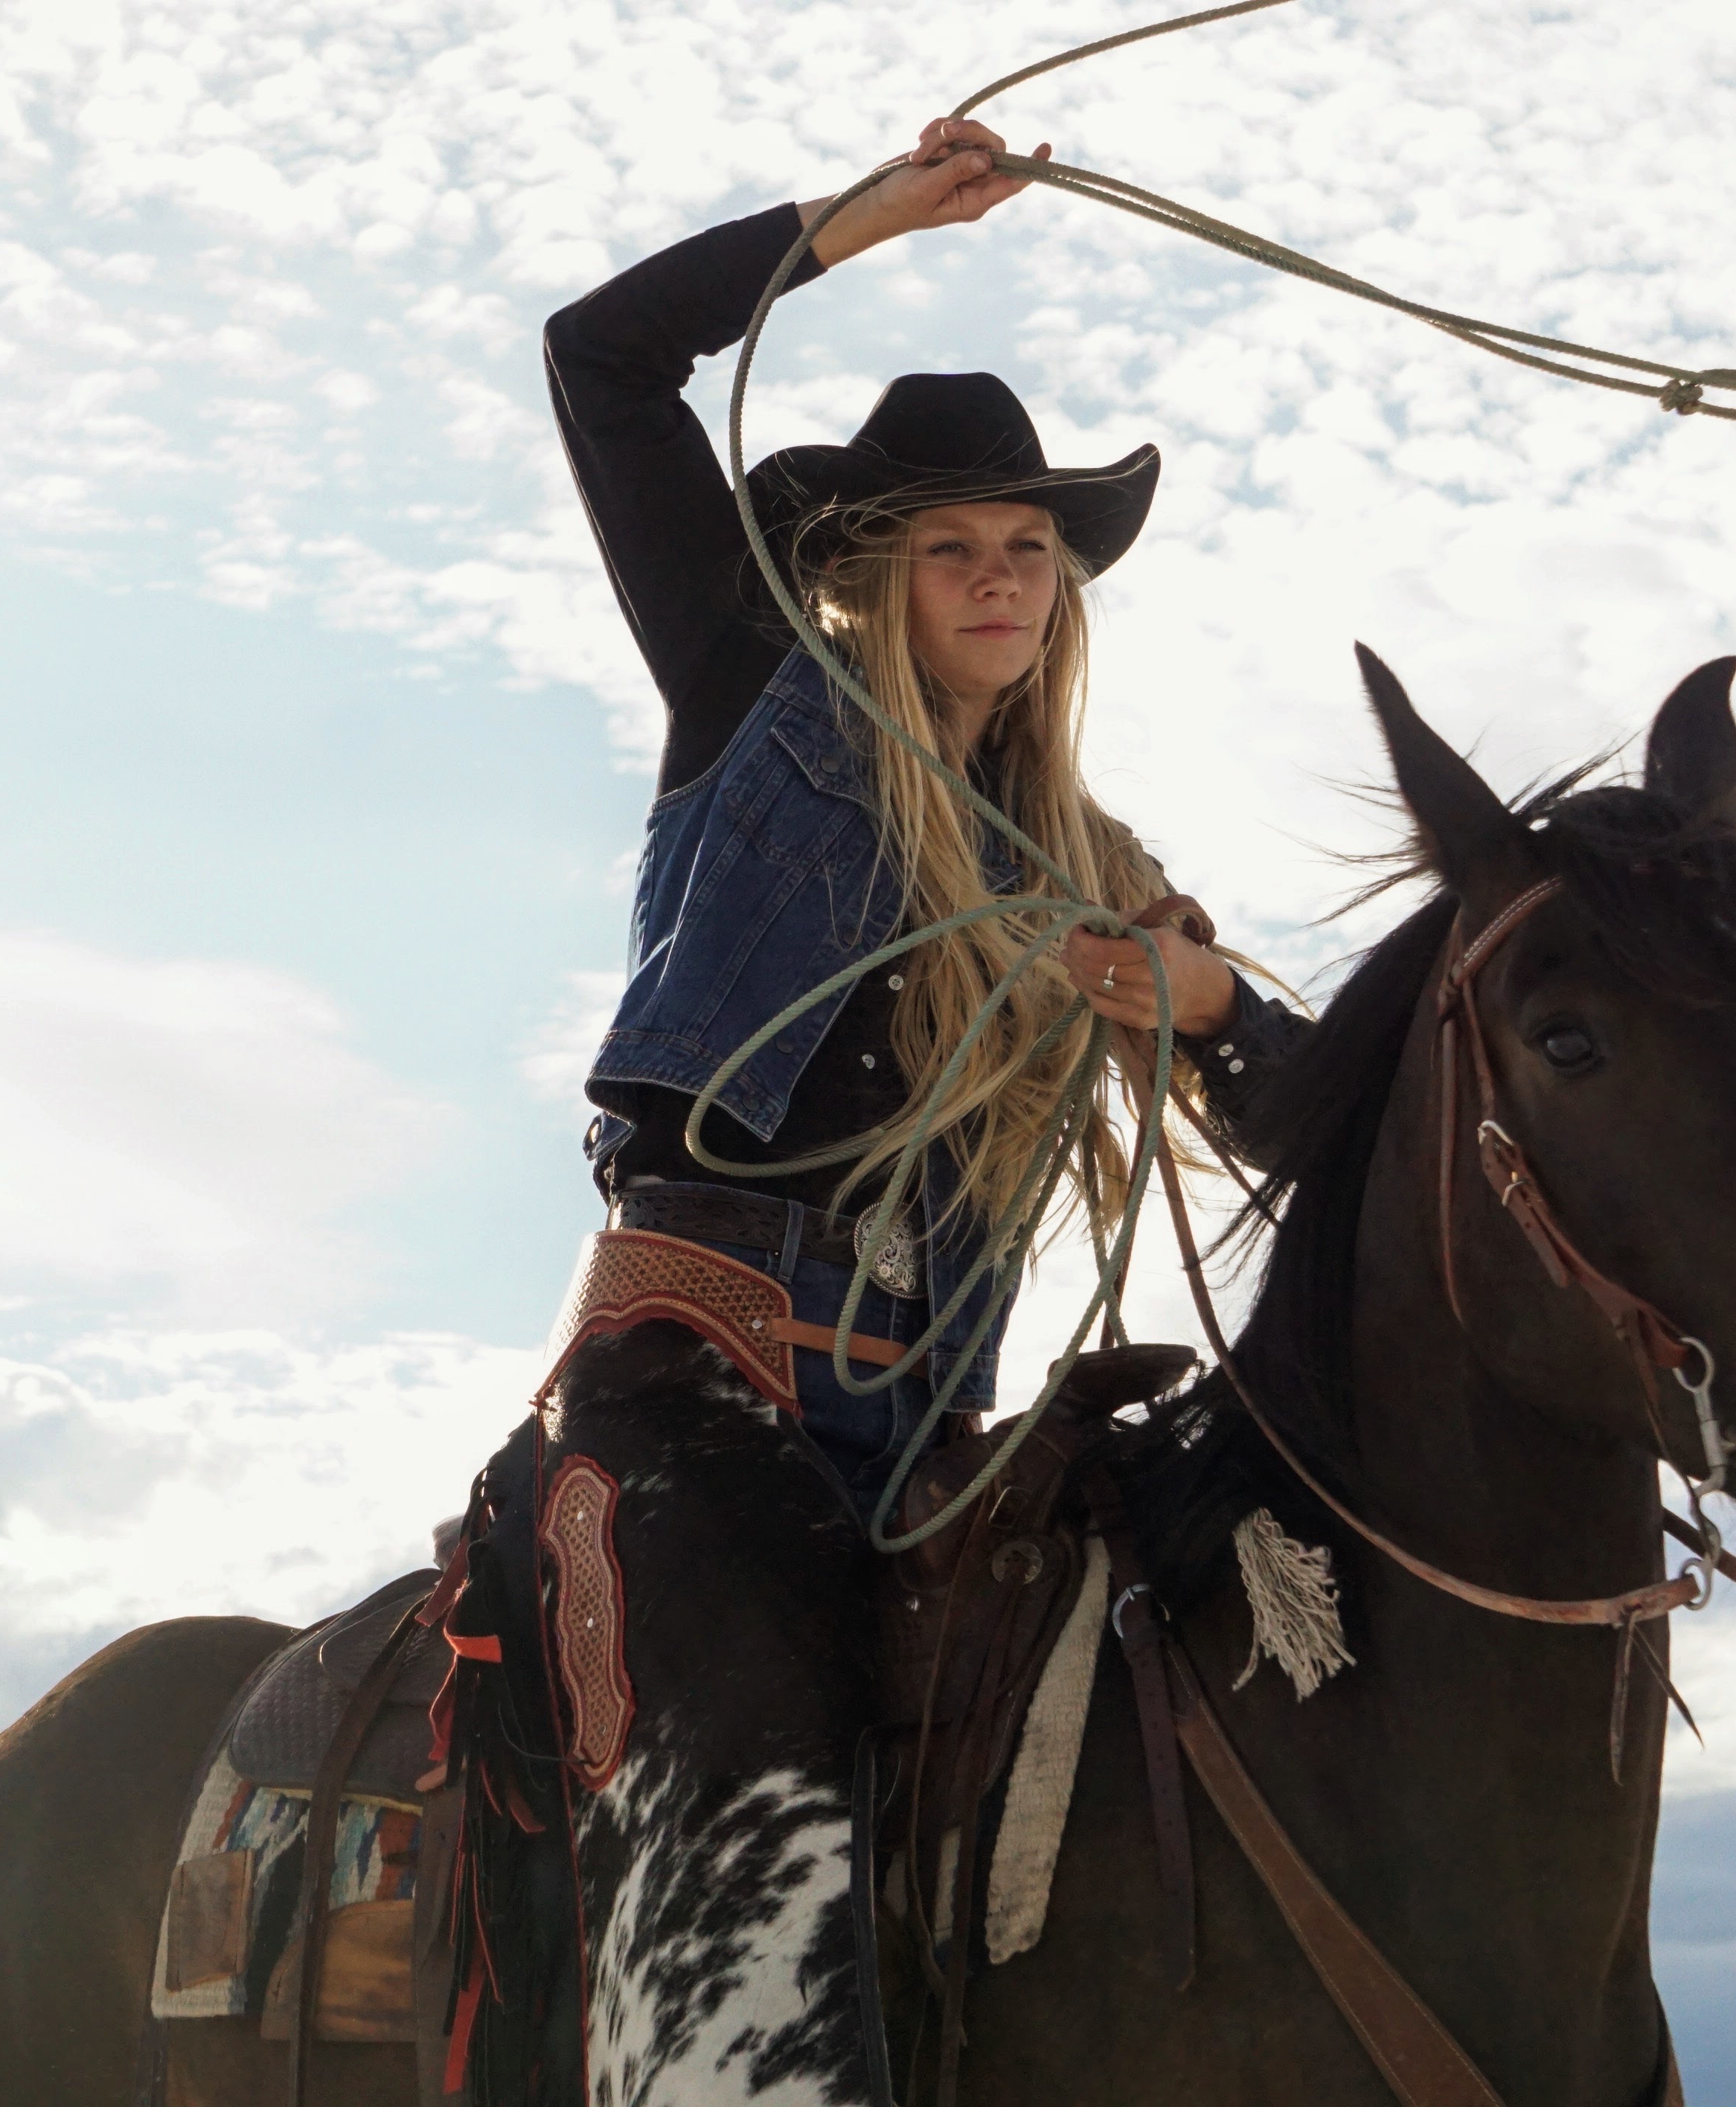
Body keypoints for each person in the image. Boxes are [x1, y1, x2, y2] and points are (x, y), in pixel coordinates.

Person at [517, 116, 1301, 2099]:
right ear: (866, 570)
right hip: (703, 1381)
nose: (1001, 578)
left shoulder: (1091, 873)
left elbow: (1304, 1122)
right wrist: (852, 227)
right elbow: (600, 359)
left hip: (936, 1436)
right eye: (953, 543)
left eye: (1030, 548)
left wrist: (1204, 999)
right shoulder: (756, 703)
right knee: (760, 1829)